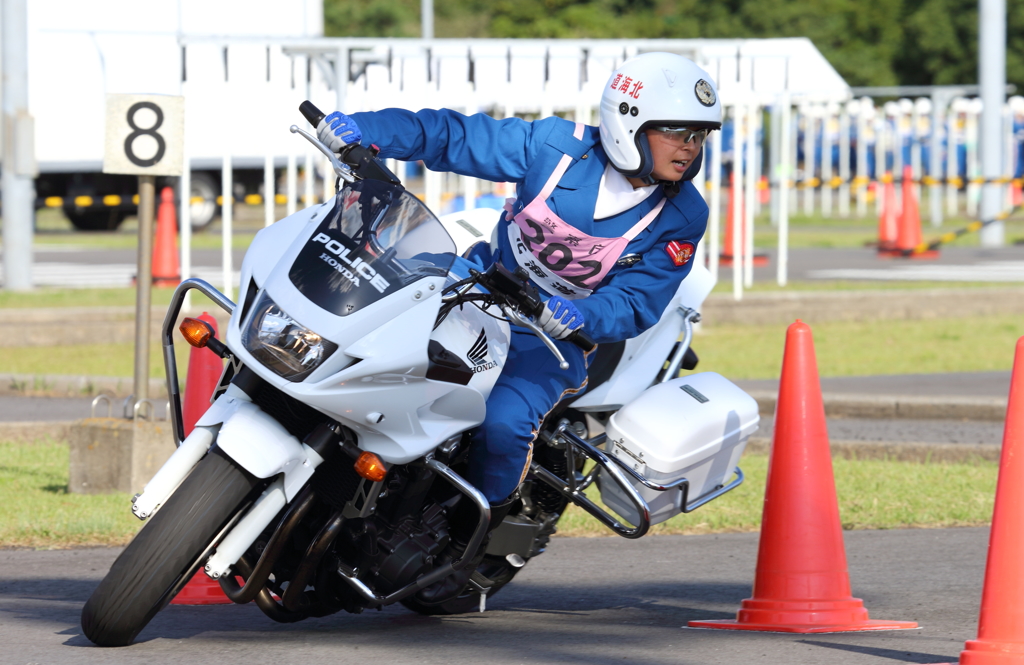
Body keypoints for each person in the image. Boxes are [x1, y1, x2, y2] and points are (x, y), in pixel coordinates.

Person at [316, 52, 722, 603]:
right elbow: (453, 137)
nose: (691, 145)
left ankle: (471, 540)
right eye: (677, 130)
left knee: (506, 422)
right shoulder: (556, 147)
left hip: (554, 340)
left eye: (700, 133)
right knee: (360, 336)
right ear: (629, 122)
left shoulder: (683, 215)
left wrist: (583, 315)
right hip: (475, 286)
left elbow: (639, 301)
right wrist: (368, 130)